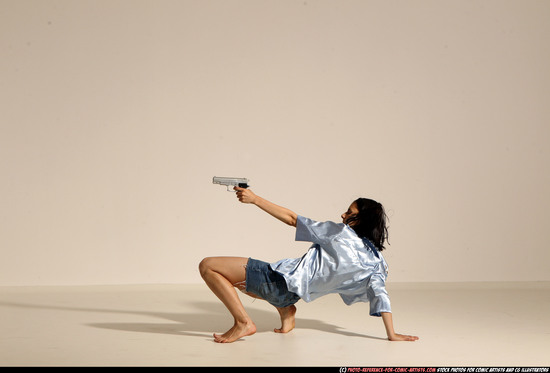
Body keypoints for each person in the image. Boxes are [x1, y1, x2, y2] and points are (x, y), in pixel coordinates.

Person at [199, 187, 419, 343]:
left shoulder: (340, 233)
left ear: (359, 220)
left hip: (276, 282)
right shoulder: (377, 262)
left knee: (208, 266)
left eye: (350, 213)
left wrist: (255, 199)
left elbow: (293, 219)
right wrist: (392, 333)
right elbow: (381, 295)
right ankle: (286, 310)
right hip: (293, 295)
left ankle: (243, 323)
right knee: (253, 277)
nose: (343, 215)